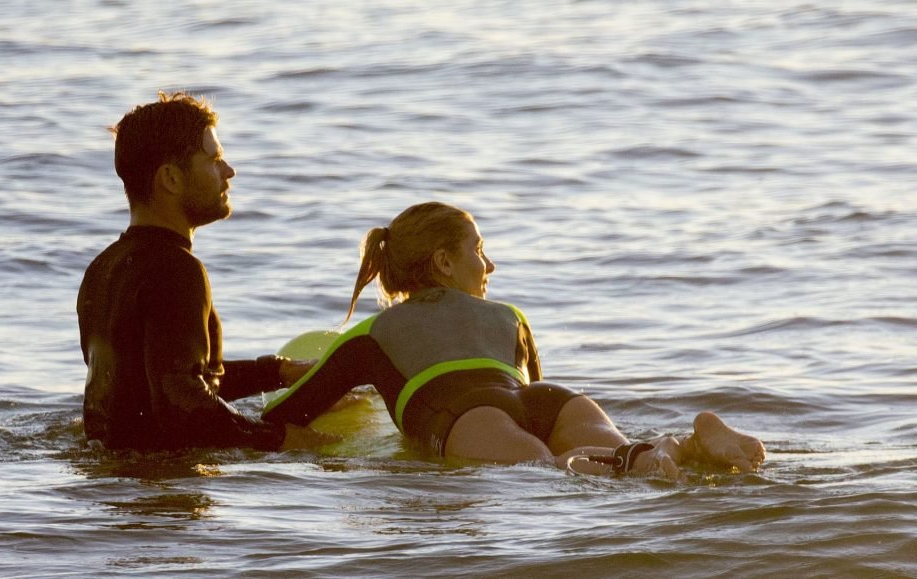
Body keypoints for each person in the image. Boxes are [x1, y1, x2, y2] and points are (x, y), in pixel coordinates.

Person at [262, 202, 765, 479]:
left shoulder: (372, 334)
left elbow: (283, 417)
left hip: (467, 417)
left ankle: (658, 456)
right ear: (443, 262)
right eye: (480, 251)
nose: (490, 265)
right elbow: (528, 395)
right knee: (632, 460)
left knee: (551, 475)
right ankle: (686, 444)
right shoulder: (510, 317)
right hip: (552, 401)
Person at [77, 92, 333, 453]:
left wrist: (276, 373)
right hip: (162, 479)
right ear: (170, 178)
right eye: (214, 160)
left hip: (114, 477)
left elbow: (157, 384)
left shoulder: (103, 268)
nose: (229, 171)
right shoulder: (176, 270)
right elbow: (181, 404)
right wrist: (282, 439)